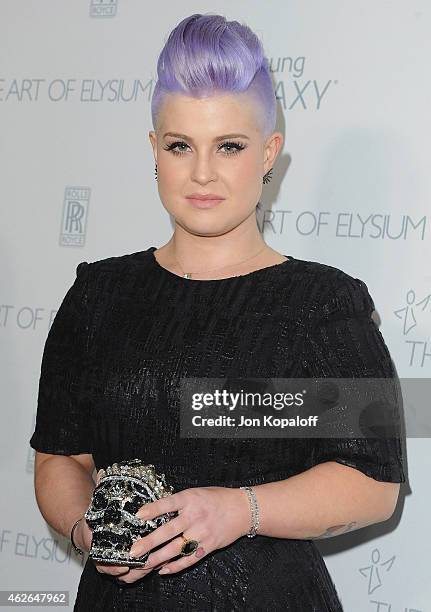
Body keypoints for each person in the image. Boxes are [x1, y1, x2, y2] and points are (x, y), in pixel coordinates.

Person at [30, 13, 406, 612]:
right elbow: (60, 457)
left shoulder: (324, 305)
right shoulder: (98, 294)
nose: (202, 173)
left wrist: (240, 510)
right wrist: (85, 528)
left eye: (229, 146)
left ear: (268, 153)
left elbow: (374, 484)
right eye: (181, 145)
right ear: (155, 149)